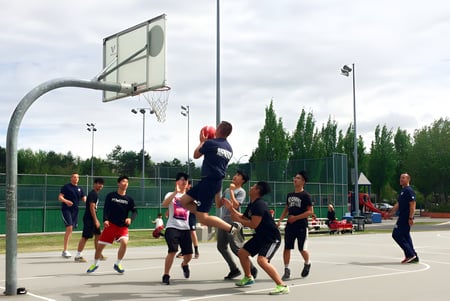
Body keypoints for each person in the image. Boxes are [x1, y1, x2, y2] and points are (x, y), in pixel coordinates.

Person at [223, 181, 289, 295]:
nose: (251, 187)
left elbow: (253, 224)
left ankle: (282, 285)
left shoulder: (259, 205)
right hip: (260, 236)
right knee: (242, 253)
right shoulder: (252, 204)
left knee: (262, 260)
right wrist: (231, 209)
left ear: (257, 190)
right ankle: (249, 277)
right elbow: (243, 217)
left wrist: (238, 220)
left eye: (253, 186)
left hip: (271, 238)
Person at [178, 121, 241, 238]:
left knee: (203, 218)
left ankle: (232, 229)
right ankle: (203, 210)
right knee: (183, 201)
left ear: (219, 130)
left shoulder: (210, 143)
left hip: (209, 182)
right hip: (213, 182)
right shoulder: (229, 148)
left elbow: (196, 155)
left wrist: (202, 142)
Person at [86, 175, 137, 274]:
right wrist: (105, 220)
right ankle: (95, 264)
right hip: (111, 225)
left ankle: (118, 263)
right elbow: (106, 209)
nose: (125, 183)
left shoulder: (129, 199)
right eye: (123, 181)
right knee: (100, 247)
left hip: (122, 227)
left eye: (127, 182)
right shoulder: (111, 196)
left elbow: (135, 211)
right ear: (118, 183)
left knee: (124, 243)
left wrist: (130, 218)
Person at [216, 170, 258, 280]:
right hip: (223, 222)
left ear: (242, 180)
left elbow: (235, 205)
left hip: (235, 223)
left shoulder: (241, 191)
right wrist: (217, 191)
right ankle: (234, 269)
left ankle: (252, 268)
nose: (235, 176)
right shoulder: (226, 190)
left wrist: (231, 191)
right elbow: (219, 204)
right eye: (236, 174)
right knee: (221, 247)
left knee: (236, 248)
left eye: (239, 175)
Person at [276, 170, 313, 281]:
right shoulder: (290, 195)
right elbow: (287, 209)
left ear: (303, 182)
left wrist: (296, 218)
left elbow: (310, 212)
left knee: (302, 249)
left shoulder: (306, 196)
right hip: (290, 226)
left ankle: (307, 263)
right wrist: (280, 220)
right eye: (295, 177)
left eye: (298, 178)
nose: (295, 180)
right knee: (287, 247)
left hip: (301, 226)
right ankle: (287, 270)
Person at [161, 172, 193, 285]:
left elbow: (196, 208)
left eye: (186, 180)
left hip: (185, 228)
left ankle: (184, 264)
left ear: (188, 184)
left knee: (189, 255)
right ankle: (166, 274)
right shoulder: (170, 194)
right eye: (181, 179)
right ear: (176, 182)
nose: (183, 181)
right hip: (172, 227)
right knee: (172, 250)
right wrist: (175, 192)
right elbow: (164, 204)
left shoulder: (190, 197)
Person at [386, 173, 419, 263]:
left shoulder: (409, 190)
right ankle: (413, 256)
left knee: (396, 234)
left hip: (406, 217)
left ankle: (410, 254)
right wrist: (390, 213)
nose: (401, 179)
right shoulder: (402, 191)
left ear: (408, 179)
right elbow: (398, 204)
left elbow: (413, 205)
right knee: (405, 236)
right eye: (400, 178)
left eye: (403, 178)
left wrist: (411, 218)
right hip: (402, 216)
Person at [74, 177, 107, 262]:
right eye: (99, 183)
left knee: (98, 235)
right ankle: (78, 256)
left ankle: (98, 253)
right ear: (95, 184)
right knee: (85, 237)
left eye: (101, 184)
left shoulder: (95, 194)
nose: (100, 185)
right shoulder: (93, 194)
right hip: (90, 218)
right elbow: (91, 207)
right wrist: (95, 220)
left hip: (93, 218)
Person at [58, 173, 87, 258]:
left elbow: (84, 198)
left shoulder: (80, 189)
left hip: (75, 211)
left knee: (70, 230)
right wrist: (66, 201)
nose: (76, 178)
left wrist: (89, 202)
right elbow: (60, 197)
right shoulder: (66, 187)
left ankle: (65, 250)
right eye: (74, 177)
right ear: (71, 178)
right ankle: (65, 250)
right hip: (66, 210)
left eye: (77, 177)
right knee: (69, 227)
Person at [176, 180, 200, 259]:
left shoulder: (193, 193)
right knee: (182, 232)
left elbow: (198, 203)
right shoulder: (181, 194)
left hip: (191, 214)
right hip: (183, 214)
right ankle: (183, 250)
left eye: (186, 184)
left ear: (189, 185)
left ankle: (196, 250)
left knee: (192, 232)